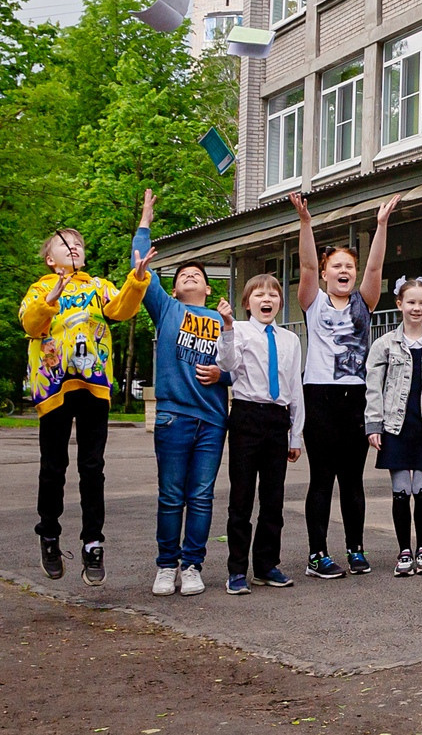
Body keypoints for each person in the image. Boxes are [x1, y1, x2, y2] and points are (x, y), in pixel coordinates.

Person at [19, 215, 150, 585]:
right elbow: (30, 324)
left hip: (93, 384)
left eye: (78, 243)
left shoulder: (97, 285)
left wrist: (136, 280)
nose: (73, 246)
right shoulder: (38, 288)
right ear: (50, 259)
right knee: (53, 466)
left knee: (92, 468)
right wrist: (48, 302)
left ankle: (93, 542)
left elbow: (121, 309)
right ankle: (48, 533)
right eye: (64, 243)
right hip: (54, 386)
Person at [292, 190, 400, 579]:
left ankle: (356, 548)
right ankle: (317, 554)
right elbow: (305, 264)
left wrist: (381, 226)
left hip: (356, 397)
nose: (344, 271)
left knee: (353, 479)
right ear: (325, 273)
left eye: (348, 267)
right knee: (321, 477)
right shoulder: (313, 301)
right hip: (319, 395)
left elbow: (375, 270)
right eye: (336, 266)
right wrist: (306, 223)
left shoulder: (364, 302)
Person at [138, 191, 233, 599]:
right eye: (182, 275)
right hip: (174, 416)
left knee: (201, 496)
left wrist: (221, 373)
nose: (190, 276)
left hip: (212, 421)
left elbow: (238, 372)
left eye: (197, 274)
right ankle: (166, 565)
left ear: (209, 290)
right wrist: (145, 219)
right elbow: (139, 269)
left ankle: (193, 565)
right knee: (171, 494)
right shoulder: (167, 310)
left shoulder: (221, 319)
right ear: (173, 290)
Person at [365, 277, 422, 577]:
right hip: (396, 427)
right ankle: (404, 551)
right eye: (411, 302)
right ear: (399, 304)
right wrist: (374, 423)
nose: (416, 308)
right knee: (401, 489)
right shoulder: (384, 345)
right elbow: (373, 386)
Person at [219, 273, 302, 594]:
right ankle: (237, 570)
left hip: (277, 420)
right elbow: (225, 363)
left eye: (273, 295)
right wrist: (227, 327)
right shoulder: (237, 330)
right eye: (259, 295)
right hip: (246, 415)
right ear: (247, 303)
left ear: (281, 302)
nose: (267, 300)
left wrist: (296, 436)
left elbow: (295, 387)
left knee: (273, 499)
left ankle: (266, 565)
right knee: (241, 497)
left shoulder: (289, 340)